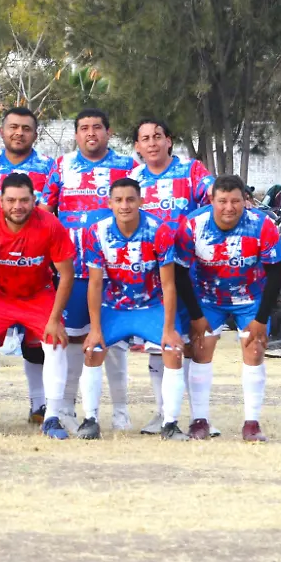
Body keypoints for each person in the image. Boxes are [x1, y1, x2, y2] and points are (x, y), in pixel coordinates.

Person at [43, 108, 140, 432]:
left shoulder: (127, 166)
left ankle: (121, 412)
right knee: (71, 340)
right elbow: (45, 212)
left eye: (97, 127)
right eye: (84, 128)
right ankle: (68, 407)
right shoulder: (62, 166)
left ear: (108, 132)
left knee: (113, 342)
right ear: (76, 134)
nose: (90, 133)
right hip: (72, 269)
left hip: (115, 270)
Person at [175, 175, 281, 442]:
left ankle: (252, 423)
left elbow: (277, 273)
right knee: (200, 349)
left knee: (255, 348)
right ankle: (199, 420)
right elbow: (179, 273)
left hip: (251, 297)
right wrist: (197, 315)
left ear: (245, 201)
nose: (228, 207)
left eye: (235, 201)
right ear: (211, 201)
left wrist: (261, 318)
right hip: (208, 298)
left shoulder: (263, 225)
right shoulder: (193, 224)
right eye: (222, 201)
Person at [0, 173, 74, 440]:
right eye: (11, 200)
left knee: (55, 340)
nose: (17, 206)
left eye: (24, 200)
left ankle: (52, 417)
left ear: (34, 200)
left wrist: (55, 317)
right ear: (0, 201)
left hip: (37, 293)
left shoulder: (50, 224)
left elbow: (67, 273)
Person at [80, 178, 185, 440]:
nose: (124, 205)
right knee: (92, 349)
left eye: (130, 199)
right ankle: (90, 419)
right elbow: (94, 284)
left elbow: (169, 283)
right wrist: (94, 329)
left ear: (140, 201)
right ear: (110, 203)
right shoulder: (97, 232)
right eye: (119, 200)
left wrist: (170, 328)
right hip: (114, 306)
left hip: (151, 305)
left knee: (173, 350)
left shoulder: (158, 230)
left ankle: (170, 424)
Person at [129, 118, 215, 435]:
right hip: (149, 275)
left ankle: (199, 416)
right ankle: (163, 411)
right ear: (137, 146)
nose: (151, 143)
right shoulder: (133, 178)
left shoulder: (191, 171)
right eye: (145, 138)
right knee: (159, 343)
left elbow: (213, 202)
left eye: (157, 136)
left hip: (190, 271)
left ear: (169, 141)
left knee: (193, 342)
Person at [0, 106, 57, 210]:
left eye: (26, 129)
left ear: (35, 136)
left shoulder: (50, 168)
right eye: (13, 127)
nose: (19, 133)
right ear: (2, 132)